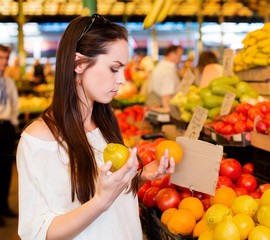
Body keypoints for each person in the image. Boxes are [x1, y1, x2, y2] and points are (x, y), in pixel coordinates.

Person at [16, 14, 175, 239]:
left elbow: (111, 193)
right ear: (78, 64)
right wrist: (100, 202)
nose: (122, 79)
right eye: (114, 68)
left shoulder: (103, 123)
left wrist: (140, 176)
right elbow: (38, 232)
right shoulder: (40, 139)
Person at [0, 44, 19, 227]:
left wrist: (12, 123)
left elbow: (14, 104)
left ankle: (4, 205)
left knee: (6, 170)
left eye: (6, 58)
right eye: (1, 58)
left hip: (6, 128)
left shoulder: (8, 81)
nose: (4, 62)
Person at [147, 45, 184, 111]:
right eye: (179, 56)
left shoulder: (159, 67)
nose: (180, 60)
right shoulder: (169, 71)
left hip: (155, 106)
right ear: (171, 54)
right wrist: (171, 114)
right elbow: (166, 97)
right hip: (162, 108)